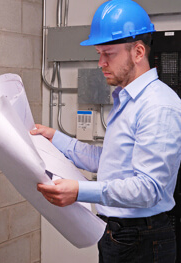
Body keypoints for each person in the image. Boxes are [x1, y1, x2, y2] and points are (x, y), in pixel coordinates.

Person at [31, 0, 181, 262]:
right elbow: (110, 162)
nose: (100, 62)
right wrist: (56, 138)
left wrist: (80, 191)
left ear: (137, 52)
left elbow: (149, 189)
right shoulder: (126, 98)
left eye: (108, 53)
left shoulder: (158, 106)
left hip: (143, 240)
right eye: (99, 53)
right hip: (119, 234)